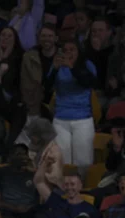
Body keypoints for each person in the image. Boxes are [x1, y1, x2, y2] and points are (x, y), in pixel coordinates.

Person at [45, 40, 97, 169]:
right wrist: (54, 70)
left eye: (72, 49)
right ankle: (64, 187)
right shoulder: (57, 66)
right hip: (60, 119)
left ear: (78, 52)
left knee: (83, 161)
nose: (68, 53)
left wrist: (72, 68)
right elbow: (46, 87)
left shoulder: (87, 65)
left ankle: (82, 187)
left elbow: (88, 83)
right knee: (63, 160)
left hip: (82, 119)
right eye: (65, 50)